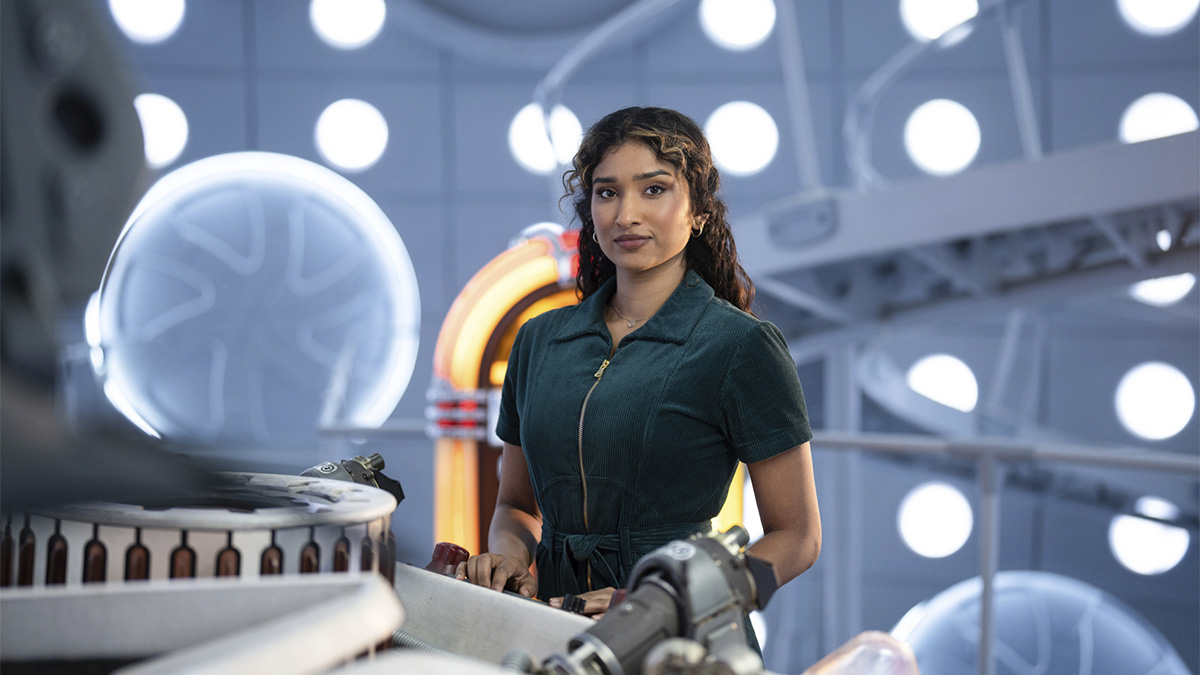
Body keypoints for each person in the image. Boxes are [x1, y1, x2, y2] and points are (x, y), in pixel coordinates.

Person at [458, 107, 821, 637]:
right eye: (607, 193)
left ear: (698, 211)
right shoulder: (539, 341)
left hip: (683, 639)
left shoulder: (742, 347)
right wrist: (509, 559)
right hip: (553, 632)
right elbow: (516, 506)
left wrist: (680, 602)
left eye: (653, 190)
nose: (626, 213)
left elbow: (799, 539)